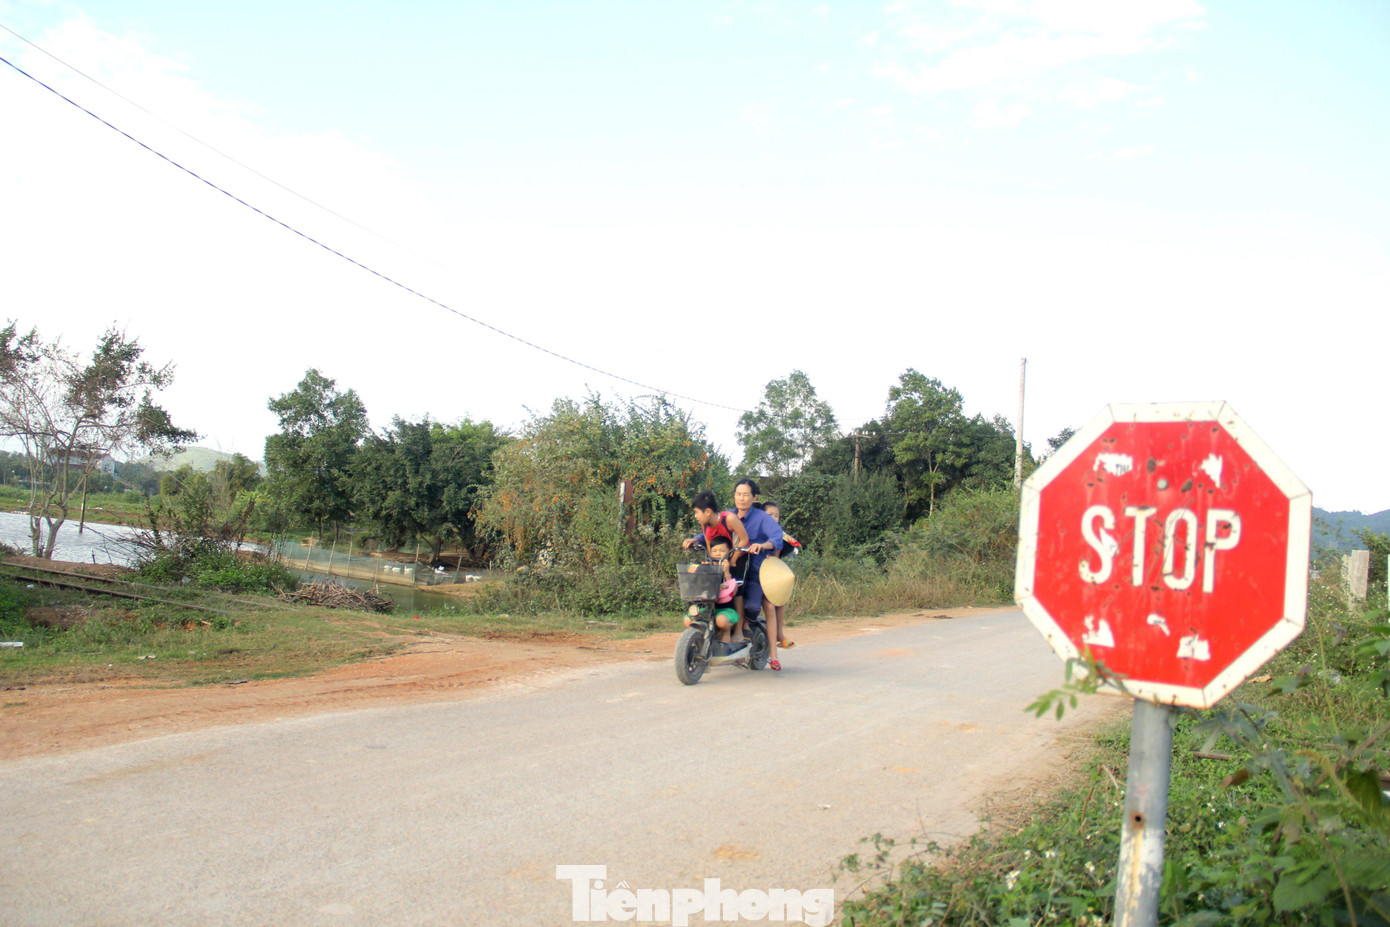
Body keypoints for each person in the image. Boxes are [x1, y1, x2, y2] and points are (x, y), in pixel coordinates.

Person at [730, 478, 784, 670]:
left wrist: (762, 545)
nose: (741, 498)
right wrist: (695, 539)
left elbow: (777, 538)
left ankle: (763, 644)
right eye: (738, 494)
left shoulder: (763, 518)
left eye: (746, 494)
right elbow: (711, 530)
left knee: (752, 607)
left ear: (755, 497)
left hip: (755, 573)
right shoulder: (728, 515)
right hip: (732, 570)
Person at [682, 536, 745, 654]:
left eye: (722, 551)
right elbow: (697, 587)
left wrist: (726, 573)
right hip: (707, 609)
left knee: (721, 620)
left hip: (726, 610)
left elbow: (733, 592)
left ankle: (724, 647)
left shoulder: (733, 569)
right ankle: (698, 647)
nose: (717, 554)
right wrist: (700, 571)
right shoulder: (707, 567)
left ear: (729, 552)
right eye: (714, 551)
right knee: (688, 620)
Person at [762, 502, 798, 652]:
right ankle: (775, 641)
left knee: (780, 601)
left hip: (770, 576)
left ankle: (780, 634)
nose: (773, 518)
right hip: (757, 575)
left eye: (776, 515)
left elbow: (775, 562)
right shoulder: (755, 532)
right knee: (770, 606)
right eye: (770, 515)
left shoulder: (779, 537)